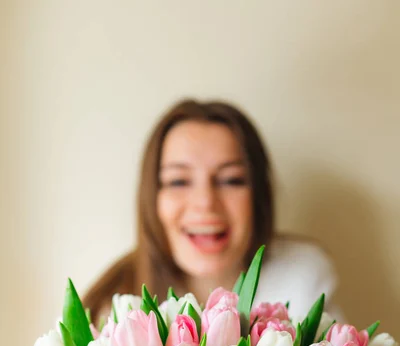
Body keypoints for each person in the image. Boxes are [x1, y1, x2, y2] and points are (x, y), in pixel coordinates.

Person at [83, 99, 339, 323]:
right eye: (178, 181)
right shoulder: (105, 309)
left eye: (231, 180)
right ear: (152, 200)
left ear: (258, 195)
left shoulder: (303, 281)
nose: (206, 202)